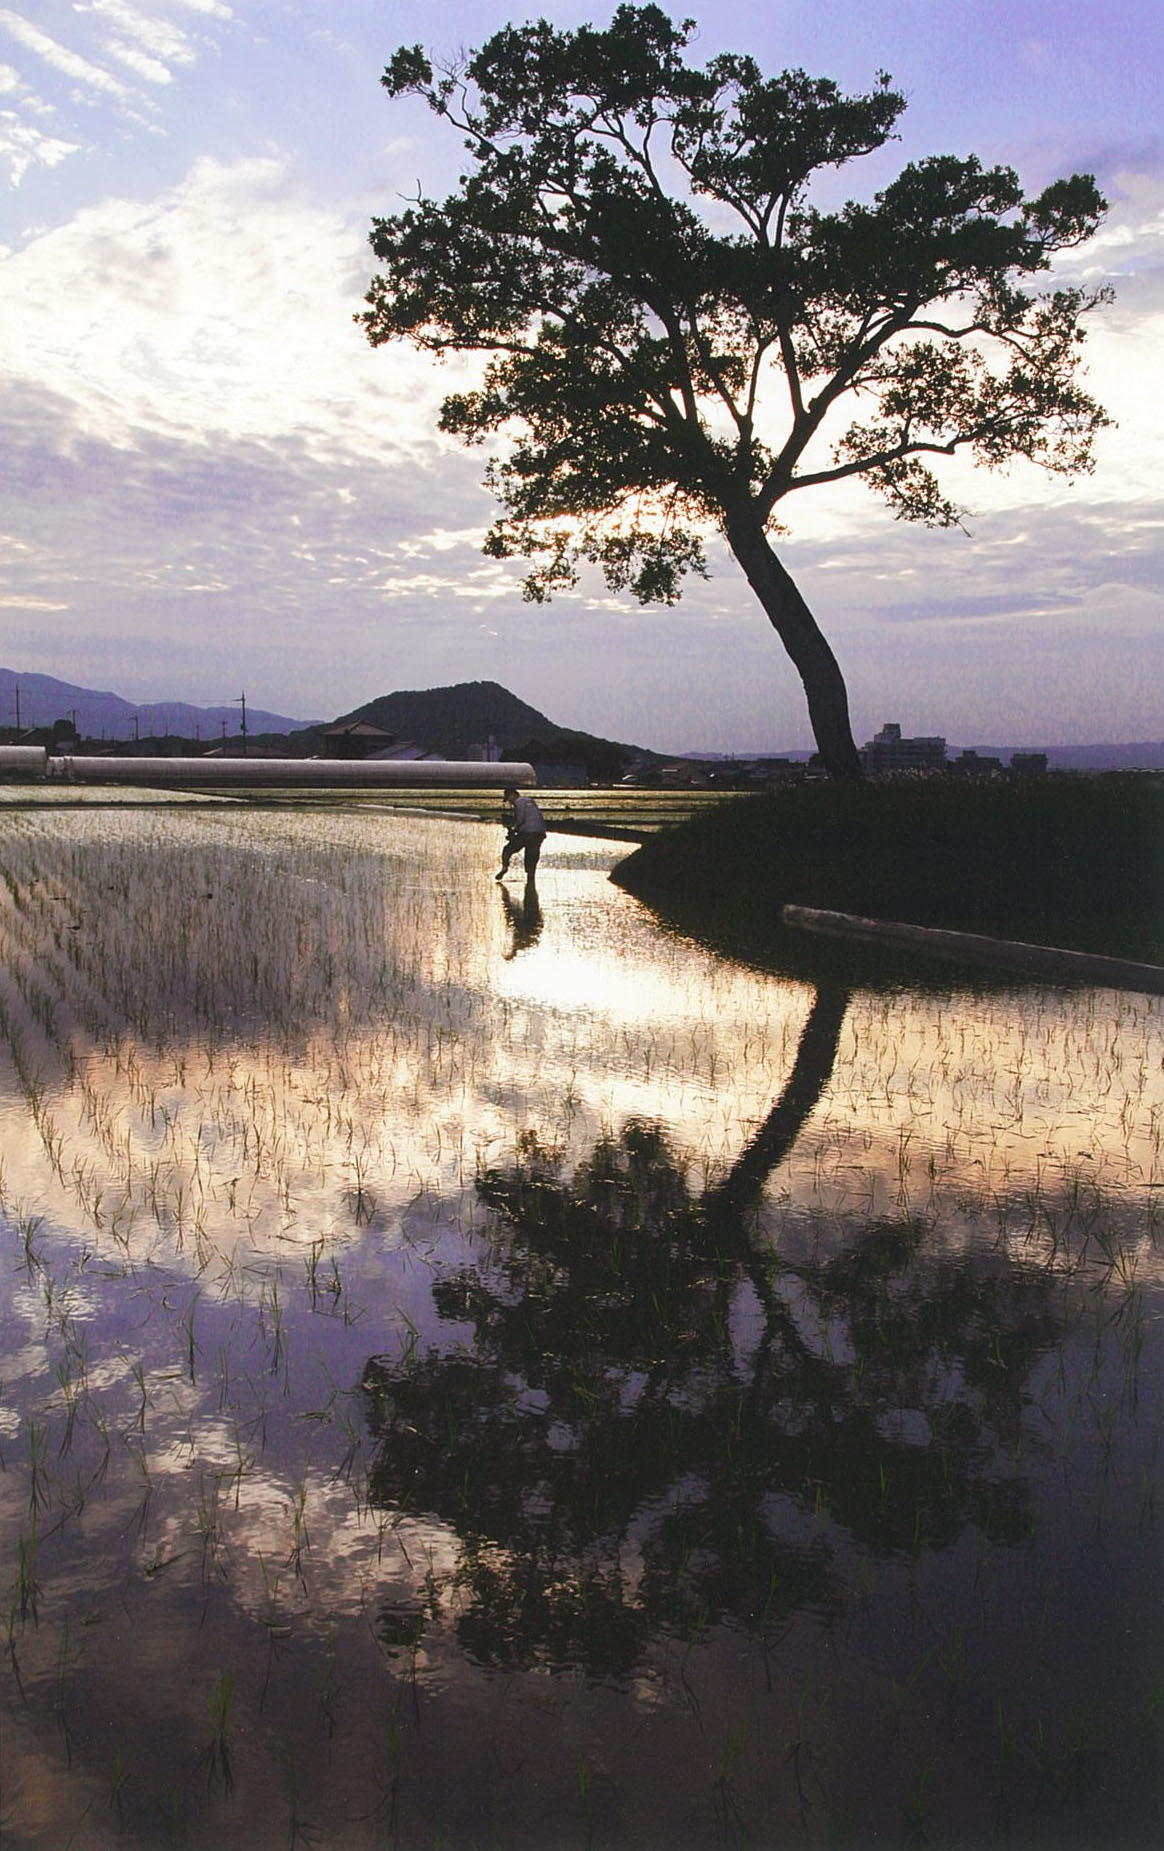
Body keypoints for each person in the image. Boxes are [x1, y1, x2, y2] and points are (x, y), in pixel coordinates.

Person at [496, 786, 547, 880]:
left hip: (528, 833)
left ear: (512, 795)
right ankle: (531, 880)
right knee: (531, 856)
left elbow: (520, 819)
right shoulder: (530, 800)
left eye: (508, 799)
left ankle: (505, 867)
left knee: (507, 849)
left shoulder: (518, 802)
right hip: (540, 832)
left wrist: (513, 831)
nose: (510, 802)